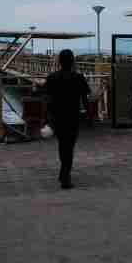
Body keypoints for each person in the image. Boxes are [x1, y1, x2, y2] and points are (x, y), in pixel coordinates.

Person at [43, 49, 91, 189]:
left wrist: (46, 118)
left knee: (63, 145)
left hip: (57, 117)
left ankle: (63, 173)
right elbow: (85, 99)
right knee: (69, 147)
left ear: (59, 61)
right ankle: (65, 176)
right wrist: (89, 116)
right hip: (73, 117)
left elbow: (46, 99)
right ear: (72, 61)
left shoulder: (52, 77)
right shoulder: (79, 77)